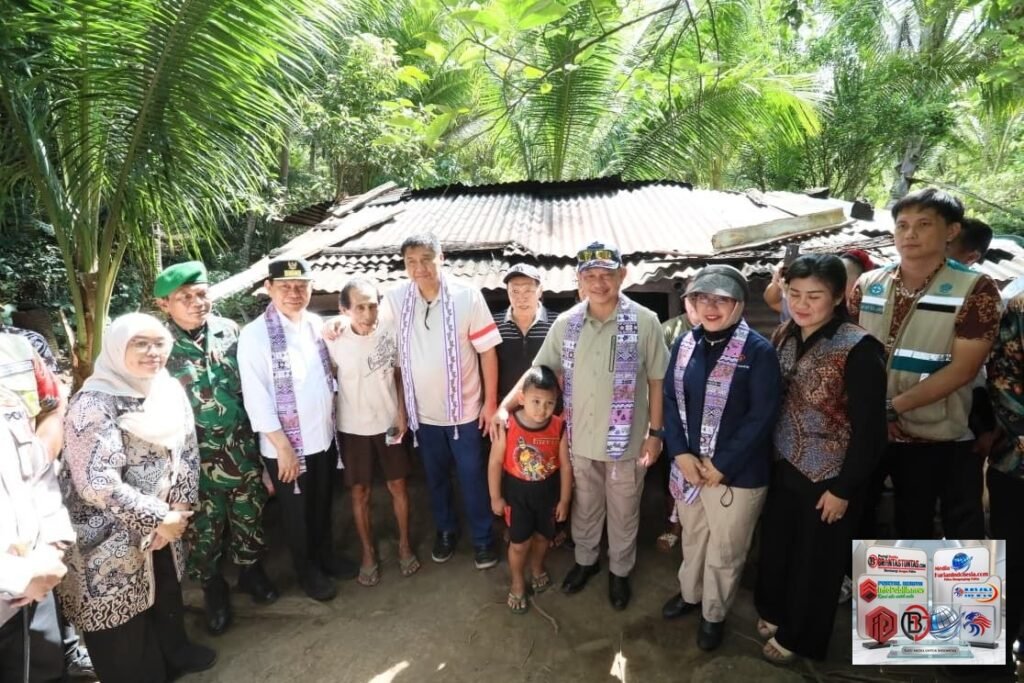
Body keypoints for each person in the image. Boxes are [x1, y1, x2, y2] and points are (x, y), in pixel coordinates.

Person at [496, 241, 669, 611]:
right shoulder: (567, 323)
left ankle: (619, 572)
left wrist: (655, 434)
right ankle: (586, 562)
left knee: (624, 509)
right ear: (580, 280)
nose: (599, 282)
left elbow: (657, 380)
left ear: (622, 275)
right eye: (590, 275)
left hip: (626, 442)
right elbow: (538, 374)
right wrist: (503, 408)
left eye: (607, 274)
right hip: (579, 440)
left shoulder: (644, 321)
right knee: (586, 506)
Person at [57, 313, 215, 683]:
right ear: (116, 348)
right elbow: (96, 483)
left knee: (166, 596)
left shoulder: (167, 389)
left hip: (166, 527)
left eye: (159, 343)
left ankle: (174, 657)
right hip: (107, 541)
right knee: (122, 627)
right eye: (139, 343)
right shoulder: (94, 404)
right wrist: (158, 517)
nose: (152, 352)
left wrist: (179, 508)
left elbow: (188, 451)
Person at [753, 255, 887, 665]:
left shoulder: (858, 348)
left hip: (829, 474)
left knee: (817, 562)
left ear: (837, 296)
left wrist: (844, 489)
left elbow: (871, 431)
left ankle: (801, 638)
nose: (802, 303)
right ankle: (775, 611)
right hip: (783, 463)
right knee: (779, 546)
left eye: (814, 295)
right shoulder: (782, 335)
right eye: (794, 293)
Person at [850, 188, 1001, 539]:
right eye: (902, 225)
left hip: (931, 434)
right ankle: (860, 589)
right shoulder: (868, 284)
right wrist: (872, 413)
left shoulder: (976, 289)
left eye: (923, 224)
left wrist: (891, 408)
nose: (910, 234)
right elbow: (852, 355)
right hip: (868, 430)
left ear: (951, 231)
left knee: (915, 521)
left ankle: (915, 595)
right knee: (859, 514)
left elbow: (963, 369)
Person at [660, 264, 781, 651]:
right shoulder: (686, 343)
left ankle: (713, 613)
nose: (710, 306)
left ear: (739, 304)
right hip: (690, 470)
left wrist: (722, 463)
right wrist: (678, 452)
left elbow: (762, 416)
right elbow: (669, 400)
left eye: (720, 299)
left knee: (726, 550)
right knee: (694, 538)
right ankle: (690, 595)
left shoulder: (758, 351)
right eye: (701, 298)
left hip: (735, 475)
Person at [154, 261, 277, 636]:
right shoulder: (156, 345)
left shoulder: (230, 332)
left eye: (202, 294)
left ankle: (251, 574)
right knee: (204, 532)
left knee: (249, 518)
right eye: (184, 297)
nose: (196, 303)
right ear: (164, 304)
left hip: (241, 451)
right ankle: (214, 589)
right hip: (194, 463)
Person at [382, 233, 502, 569]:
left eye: (425, 259)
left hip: (464, 411)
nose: (419, 268)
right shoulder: (395, 299)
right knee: (434, 479)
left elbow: (488, 352)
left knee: (471, 477)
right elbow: (367, 323)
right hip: (424, 417)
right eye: (410, 262)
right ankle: (446, 531)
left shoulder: (467, 296)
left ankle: (482, 539)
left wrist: (489, 404)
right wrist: (335, 325)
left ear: (441, 257)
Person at [238, 258, 353, 602]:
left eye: (301, 286)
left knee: (321, 503)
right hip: (286, 445)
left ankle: (325, 557)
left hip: (321, 437)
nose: (294, 293)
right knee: (297, 513)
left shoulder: (315, 324)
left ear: (311, 289)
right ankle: (307, 571)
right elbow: (256, 398)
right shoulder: (255, 335)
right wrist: (282, 446)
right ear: (269, 289)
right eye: (285, 287)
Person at [326, 278, 419, 586]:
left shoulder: (390, 331)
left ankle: (404, 545)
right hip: (353, 427)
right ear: (345, 309)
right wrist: (333, 324)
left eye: (372, 305)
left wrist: (402, 412)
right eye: (360, 307)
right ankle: (368, 553)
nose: (368, 313)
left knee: (398, 486)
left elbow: (398, 374)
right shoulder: (332, 339)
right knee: (360, 491)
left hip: (389, 422)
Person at [0, 385, 75, 683]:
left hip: (34, 589)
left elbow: (40, 475)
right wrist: (18, 576)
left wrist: (52, 549)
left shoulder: (7, 402)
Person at [487, 365, 571, 614]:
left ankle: (537, 568)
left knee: (543, 537)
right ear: (521, 398)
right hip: (518, 496)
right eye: (535, 401)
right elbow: (494, 462)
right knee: (519, 543)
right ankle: (517, 581)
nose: (542, 409)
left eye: (549, 403)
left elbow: (566, 466)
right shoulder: (508, 426)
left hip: (548, 494)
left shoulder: (559, 427)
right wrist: (495, 497)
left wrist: (564, 500)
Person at [985, 285, 1024, 665]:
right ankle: (998, 652)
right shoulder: (1020, 307)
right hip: (1017, 463)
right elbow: (1002, 378)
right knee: (1011, 562)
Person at [495, 263, 552, 403]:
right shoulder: (493, 324)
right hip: (504, 412)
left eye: (528, 290)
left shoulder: (557, 323)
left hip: (546, 410)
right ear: (507, 292)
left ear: (540, 291)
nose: (521, 298)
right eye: (515, 291)